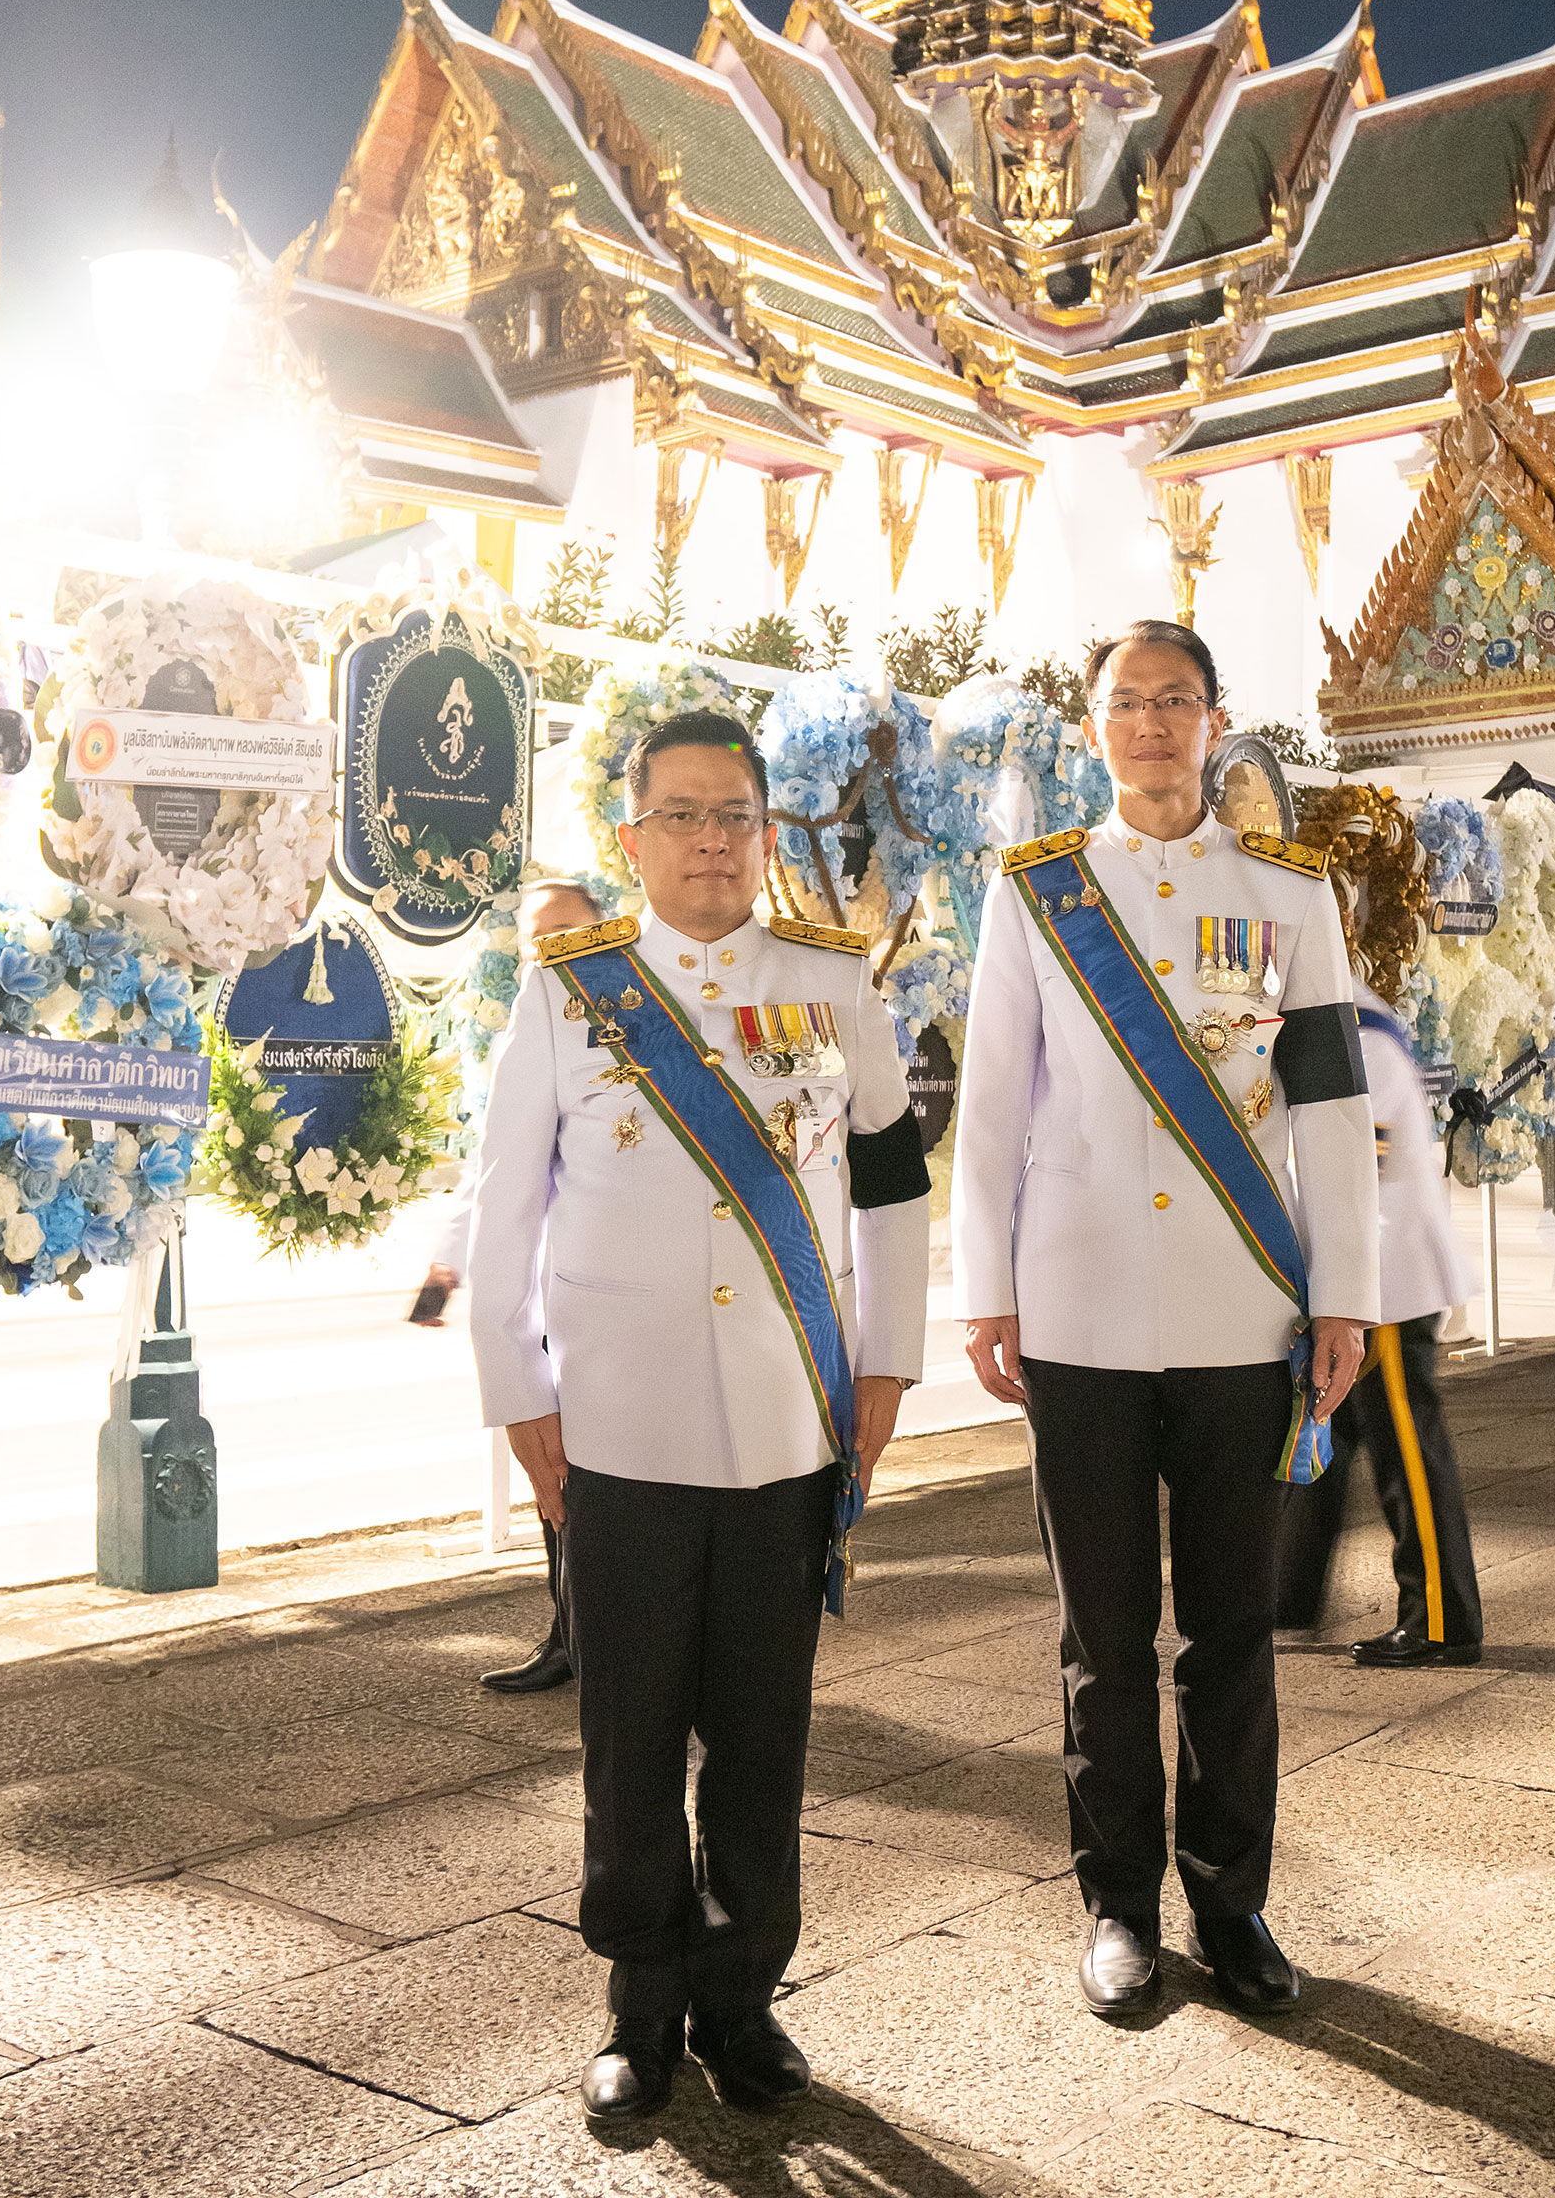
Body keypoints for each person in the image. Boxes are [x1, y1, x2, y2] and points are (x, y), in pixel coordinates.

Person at [468, 710, 930, 2126]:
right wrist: (516, 1388)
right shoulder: (569, 994)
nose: (712, 840)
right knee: (628, 1728)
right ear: (633, 840)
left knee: (760, 1728)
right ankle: (638, 2004)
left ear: (768, 833)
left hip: (790, 1422)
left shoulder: (837, 986)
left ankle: (741, 2002)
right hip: (618, 1426)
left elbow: (895, 1187)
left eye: (734, 814)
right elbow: (505, 1207)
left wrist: (888, 1366)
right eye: (681, 815)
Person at [954, 620, 1378, 2024]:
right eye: (1125, 704)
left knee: (1232, 1637)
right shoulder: (1037, 895)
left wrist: (1346, 1297)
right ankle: (1120, 1906)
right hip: (1076, 1314)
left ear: (1214, 722)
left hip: (1241, 1314)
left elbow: (1328, 1108)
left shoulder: (1292, 898)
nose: (1149, 724)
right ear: (1094, 729)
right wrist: (987, 1288)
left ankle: (1235, 1899)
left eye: (1175, 701)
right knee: (1104, 1636)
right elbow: (993, 1110)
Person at [412, 881, 601, 1698]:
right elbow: (493, 1179)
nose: (547, 948)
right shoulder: (528, 1029)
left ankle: (608, 1644)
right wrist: (446, 1266)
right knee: (555, 1474)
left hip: (615, 1299)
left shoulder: (641, 1021)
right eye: (535, 937)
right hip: (546, 1299)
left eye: (565, 932)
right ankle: (572, 1636)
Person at [1273, 966, 1483, 1667]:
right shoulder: (1336, 1024)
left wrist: (1348, 1300)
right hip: (1356, 1286)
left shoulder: (1356, 1040)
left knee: (1409, 1460)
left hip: (1383, 1291)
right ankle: (1287, 1598)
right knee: (1325, 1446)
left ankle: (1442, 1622)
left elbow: (1370, 1180)